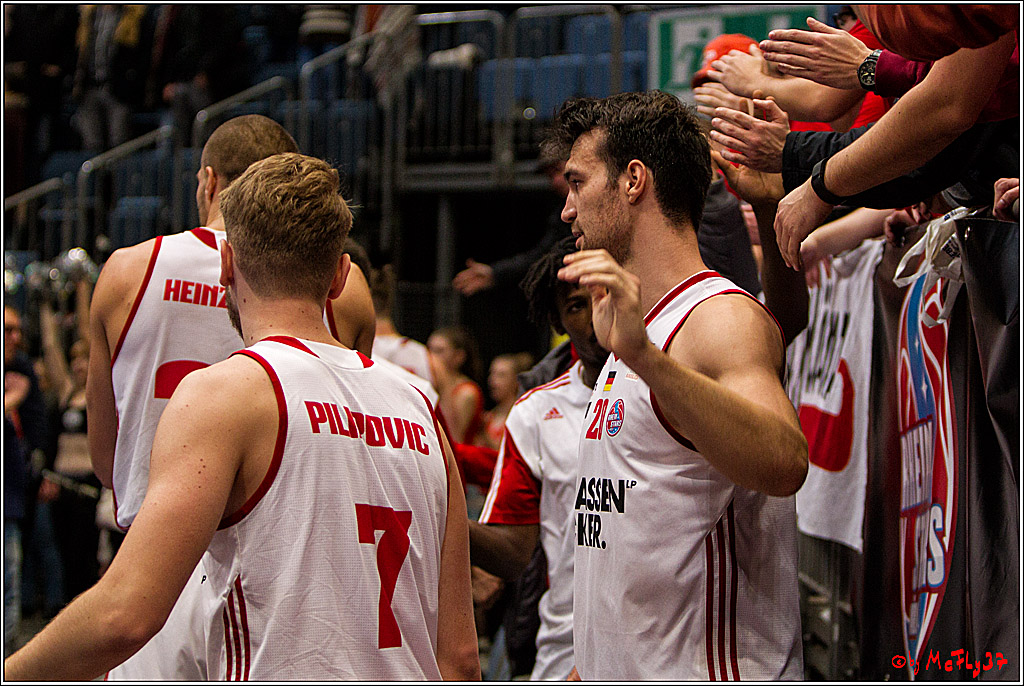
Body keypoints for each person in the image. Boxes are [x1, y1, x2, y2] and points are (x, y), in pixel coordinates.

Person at [5, 151, 480, 680]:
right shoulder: (421, 408)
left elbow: (124, 616)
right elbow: (460, 659)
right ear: (341, 275)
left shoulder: (226, 392)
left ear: (227, 264)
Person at [85, 113, 370, 679]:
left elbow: (104, 459)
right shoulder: (347, 286)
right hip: (281, 573)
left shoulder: (126, 272)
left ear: (209, 182)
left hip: (154, 566)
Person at [545, 91, 807, 680]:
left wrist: (648, 360)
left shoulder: (717, 318)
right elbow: (624, 533)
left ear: (633, 180)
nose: (567, 210)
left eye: (578, 183)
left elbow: (785, 463)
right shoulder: (633, 323)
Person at [471, 236, 609, 680]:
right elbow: (514, 553)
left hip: (660, 650)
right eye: (574, 306)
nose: (593, 318)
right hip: (562, 651)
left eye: (600, 296)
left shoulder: (670, 389)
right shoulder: (534, 413)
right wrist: (439, 510)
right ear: (557, 321)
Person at [427, 326, 485, 445]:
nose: (432, 356)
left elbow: (454, 439)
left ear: (459, 356)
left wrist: (444, 381)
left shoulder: (466, 392)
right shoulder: (431, 385)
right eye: (429, 350)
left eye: (439, 351)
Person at [480, 352, 533, 450]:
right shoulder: (488, 417)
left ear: (516, 381)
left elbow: (508, 454)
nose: (492, 381)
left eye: (501, 375)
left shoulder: (521, 417)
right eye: (492, 374)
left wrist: (484, 434)